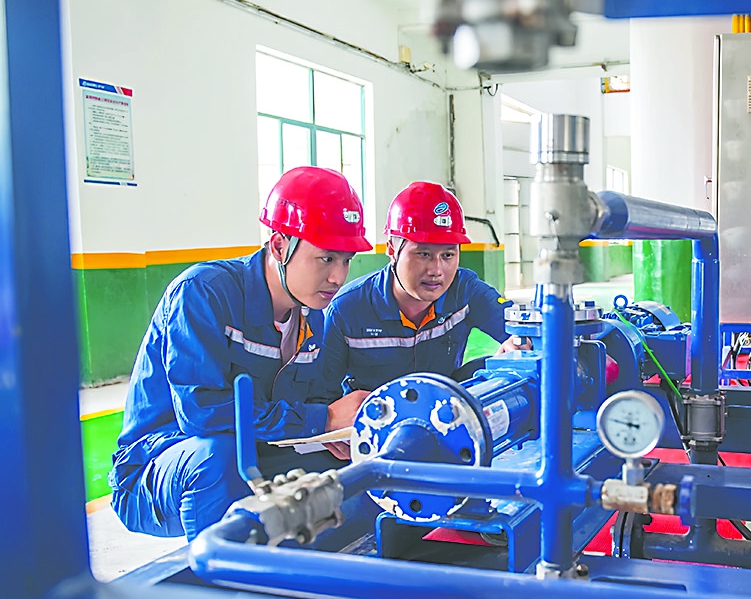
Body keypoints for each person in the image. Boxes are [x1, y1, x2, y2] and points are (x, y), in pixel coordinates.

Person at [108, 167, 373, 540]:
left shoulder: (312, 316)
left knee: (346, 472)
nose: (338, 277)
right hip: (158, 470)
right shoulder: (204, 293)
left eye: (346, 260)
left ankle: (324, 563)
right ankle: (222, 570)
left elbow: (307, 407)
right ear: (279, 246)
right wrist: (321, 419)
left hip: (253, 453)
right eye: (326, 259)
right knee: (216, 457)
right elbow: (201, 413)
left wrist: (332, 431)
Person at [319, 181, 528, 402]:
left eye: (448, 255)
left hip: (444, 412)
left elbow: (525, 330)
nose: (436, 270)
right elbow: (322, 396)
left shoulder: (465, 291)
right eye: (423, 254)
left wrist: (517, 346)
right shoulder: (347, 310)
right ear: (392, 250)